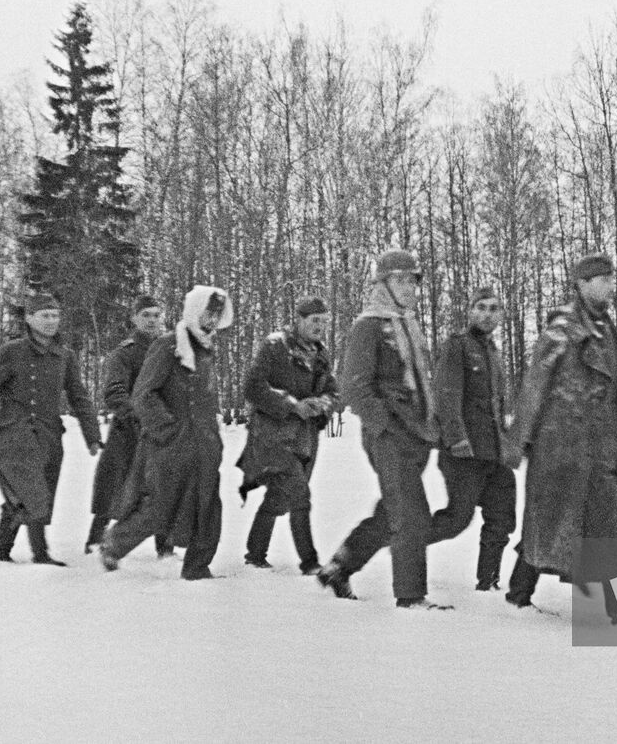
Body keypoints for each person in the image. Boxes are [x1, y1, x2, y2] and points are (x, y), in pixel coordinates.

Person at [505, 254, 617, 627]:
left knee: (613, 529)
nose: (610, 285)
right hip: (561, 449)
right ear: (582, 284)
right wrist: (517, 441)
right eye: (601, 279)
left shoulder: (607, 331)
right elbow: (534, 386)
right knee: (553, 524)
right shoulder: (563, 329)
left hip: (597, 452)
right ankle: (519, 592)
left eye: (611, 278)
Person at [317, 250, 447, 609]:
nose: (410, 288)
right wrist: (386, 426)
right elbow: (354, 387)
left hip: (417, 435)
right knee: (411, 516)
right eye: (401, 280)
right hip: (389, 436)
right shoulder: (368, 326)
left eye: (413, 281)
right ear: (383, 284)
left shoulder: (407, 323)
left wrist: (429, 422)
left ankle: (340, 566)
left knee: (394, 510)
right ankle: (410, 596)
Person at [0, 294, 102, 566]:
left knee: (28, 495)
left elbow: (79, 397)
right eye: (44, 315)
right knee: (32, 491)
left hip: (49, 435)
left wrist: (92, 434)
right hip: (13, 433)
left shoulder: (64, 357)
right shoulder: (12, 352)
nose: (51, 321)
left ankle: (0, 551)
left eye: (55, 315)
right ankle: (40, 554)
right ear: (29, 319)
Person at [100, 286, 234, 580]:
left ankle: (197, 567)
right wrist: (168, 429)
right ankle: (114, 543)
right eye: (207, 311)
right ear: (194, 310)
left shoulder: (206, 348)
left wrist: (214, 437)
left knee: (209, 507)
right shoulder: (168, 345)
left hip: (204, 445)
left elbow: (206, 401)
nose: (211, 319)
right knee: (161, 507)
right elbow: (143, 394)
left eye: (216, 313)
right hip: (172, 445)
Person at [427, 286, 521, 591]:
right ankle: (406, 541)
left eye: (494, 308)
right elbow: (447, 395)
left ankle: (488, 582)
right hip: (464, 453)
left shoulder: (493, 351)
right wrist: (456, 440)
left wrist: (506, 444)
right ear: (470, 311)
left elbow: (496, 405)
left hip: (492, 452)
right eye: (481, 307)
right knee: (456, 520)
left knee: (502, 518)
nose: (487, 314)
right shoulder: (458, 346)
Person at [238, 296, 340, 574]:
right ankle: (310, 563)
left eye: (323, 321)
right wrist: (293, 406)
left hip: (304, 439)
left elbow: (332, 390)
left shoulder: (320, 354)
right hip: (273, 436)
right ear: (299, 319)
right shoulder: (275, 346)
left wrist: (323, 405)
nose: (319, 326)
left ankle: (254, 554)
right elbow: (253, 386)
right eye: (314, 320)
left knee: (280, 496)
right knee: (299, 495)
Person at [86, 294, 168, 555]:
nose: (152, 320)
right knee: (113, 489)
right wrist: (138, 414)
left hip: (159, 433)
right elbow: (114, 392)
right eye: (146, 315)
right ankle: (95, 541)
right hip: (128, 431)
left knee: (162, 487)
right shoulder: (125, 353)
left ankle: (164, 547)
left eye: (156, 315)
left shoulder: (169, 349)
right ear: (134, 318)